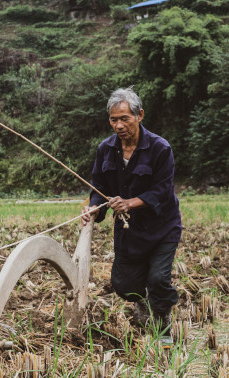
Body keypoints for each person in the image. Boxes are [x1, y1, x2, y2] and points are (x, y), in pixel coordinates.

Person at [81, 87, 182, 345]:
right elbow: (99, 188)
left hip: (162, 228)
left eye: (125, 118)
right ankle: (142, 304)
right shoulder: (105, 149)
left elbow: (162, 190)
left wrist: (130, 203)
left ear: (139, 115)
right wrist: (93, 208)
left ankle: (162, 323)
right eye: (114, 119)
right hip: (129, 231)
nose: (119, 125)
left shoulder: (160, 148)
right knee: (124, 285)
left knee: (158, 279)